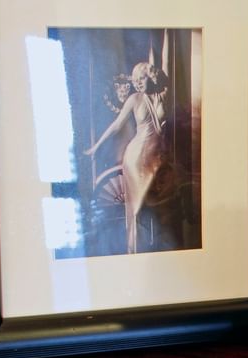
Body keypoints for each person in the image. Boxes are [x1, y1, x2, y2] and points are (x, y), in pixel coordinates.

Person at [86, 31, 169, 255]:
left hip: (155, 156)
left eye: (142, 78)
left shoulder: (162, 96)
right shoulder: (134, 100)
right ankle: (134, 251)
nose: (139, 84)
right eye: (136, 80)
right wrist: (96, 147)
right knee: (137, 208)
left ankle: (152, 252)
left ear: (150, 76)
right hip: (136, 156)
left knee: (154, 206)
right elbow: (116, 126)